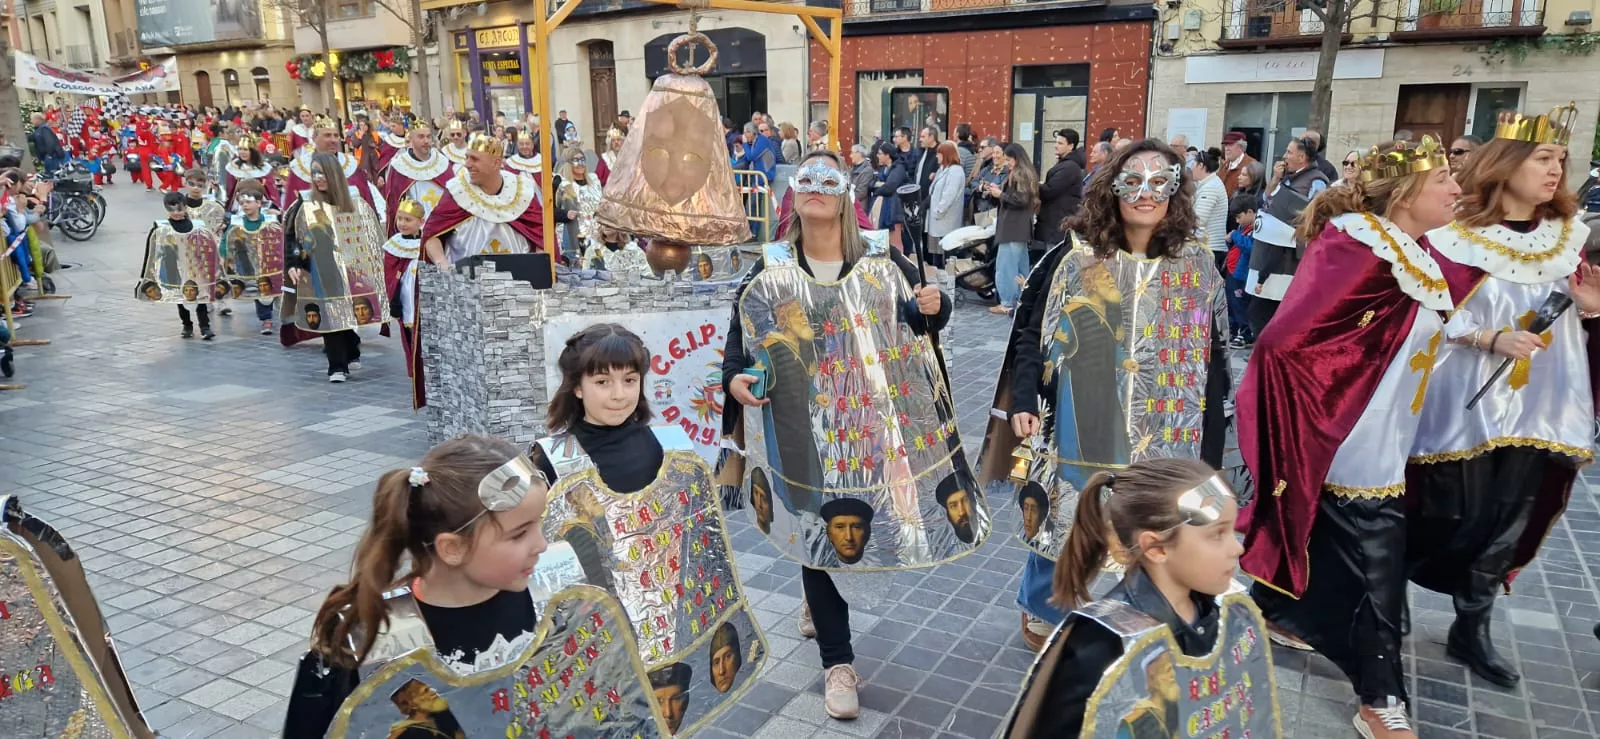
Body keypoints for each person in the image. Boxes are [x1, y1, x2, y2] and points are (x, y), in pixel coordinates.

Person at [722, 150, 963, 721]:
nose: (816, 188)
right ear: (794, 195)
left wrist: (938, 303)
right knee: (817, 527)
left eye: (828, 180)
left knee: (852, 517)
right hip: (800, 424)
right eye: (805, 179)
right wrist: (734, 378)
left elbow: (921, 318)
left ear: (845, 196)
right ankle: (839, 661)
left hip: (865, 422)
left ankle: (819, 597)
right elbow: (742, 333)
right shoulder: (773, 264)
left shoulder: (883, 256)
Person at [1238, 136, 1462, 739]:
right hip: (1350, 441)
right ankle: (1379, 694)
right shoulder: (1358, 247)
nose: (1456, 188)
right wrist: (1321, 413)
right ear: (1409, 190)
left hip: (1390, 434)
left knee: (1331, 543)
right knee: (1376, 566)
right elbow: (1287, 342)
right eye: (1444, 178)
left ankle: (1276, 608)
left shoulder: (1410, 249)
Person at [980, 139, 1226, 651]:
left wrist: (1216, 432)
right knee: (1070, 506)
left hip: (1166, 415)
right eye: (1132, 182)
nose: (1145, 194)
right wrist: (1025, 399)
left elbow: (1215, 351)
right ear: (1112, 187)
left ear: (1176, 191)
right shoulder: (1074, 257)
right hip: (1082, 406)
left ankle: (1142, 610)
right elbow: (1030, 331)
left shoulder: (1197, 265)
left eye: (1159, 183)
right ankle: (1045, 604)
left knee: (1154, 515)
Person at [1408, 107, 1598, 690]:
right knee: (1446, 509)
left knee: (1508, 522)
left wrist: (1591, 308)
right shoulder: (1449, 239)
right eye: (1543, 158)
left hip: (1543, 404)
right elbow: (1424, 314)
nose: (1554, 170)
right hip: (1461, 400)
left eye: (1560, 161)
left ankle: (1473, 625)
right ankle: (1383, 598)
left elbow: (1579, 321)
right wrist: (1487, 336)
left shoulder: (1573, 238)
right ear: (1507, 163)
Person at [532, 323, 764, 731]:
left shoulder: (670, 446)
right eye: (602, 381)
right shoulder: (552, 460)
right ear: (578, 387)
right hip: (594, 634)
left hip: (663, 629)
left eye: (630, 380)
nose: (619, 393)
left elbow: (698, 542)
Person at [282, 435, 552, 736]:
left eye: (540, 522)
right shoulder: (369, 639)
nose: (541, 544)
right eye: (519, 534)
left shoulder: (552, 602)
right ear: (452, 548)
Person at [1000, 459, 1256, 739]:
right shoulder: (1102, 645)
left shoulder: (1225, 611)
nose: (1237, 548)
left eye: (1232, 530)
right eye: (1217, 534)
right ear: (1155, 548)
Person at [282, 154, 388, 382]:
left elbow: (371, 234)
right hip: (321, 268)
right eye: (315, 173)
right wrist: (293, 264)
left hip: (352, 266)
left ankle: (352, 349)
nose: (319, 178)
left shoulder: (355, 200)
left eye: (323, 173)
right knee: (330, 313)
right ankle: (336, 366)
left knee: (348, 310)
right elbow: (293, 236)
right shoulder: (305, 202)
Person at [1244, 136, 1328, 336]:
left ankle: (1270, 350)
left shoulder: (1316, 180)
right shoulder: (1287, 176)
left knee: (1272, 307)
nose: (1285, 156)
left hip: (1288, 253)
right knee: (1259, 305)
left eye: (1289, 152)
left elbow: (1315, 211)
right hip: (1268, 246)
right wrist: (1275, 178)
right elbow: (1266, 199)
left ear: (1302, 156)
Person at [139, 191, 222, 340]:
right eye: (172, 210)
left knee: (200, 297)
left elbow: (207, 246)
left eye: (179, 209)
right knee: (179, 298)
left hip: (194, 266)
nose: (176, 213)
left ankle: (205, 326)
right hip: (173, 268)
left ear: (185, 208)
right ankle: (187, 325)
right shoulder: (160, 228)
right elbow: (151, 250)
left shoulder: (198, 226)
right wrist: (147, 273)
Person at [223, 180, 284, 335]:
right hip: (246, 262)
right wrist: (224, 255)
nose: (245, 205)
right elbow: (227, 239)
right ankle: (265, 318)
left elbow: (280, 238)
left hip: (267, 260)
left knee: (267, 290)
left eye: (248, 202)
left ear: (258, 203)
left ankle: (270, 318)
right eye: (242, 202)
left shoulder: (270, 220)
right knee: (257, 289)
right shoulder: (236, 222)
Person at [985, 143, 1039, 315]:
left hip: (1013, 227)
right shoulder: (1025, 173)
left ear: (1016, 158)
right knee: (1020, 266)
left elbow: (1020, 200)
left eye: (1009, 159)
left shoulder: (1020, 174)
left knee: (1006, 266)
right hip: (1019, 227)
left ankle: (1008, 302)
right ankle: (1022, 299)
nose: (1007, 163)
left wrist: (1000, 194)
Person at [382, 123, 453, 236]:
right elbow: (393, 203)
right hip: (414, 231)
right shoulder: (399, 166)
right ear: (411, 139)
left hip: (443, 227)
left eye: (428, 137)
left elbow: (453, 196)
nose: (426, 141)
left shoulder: (442, 162)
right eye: (421, 137)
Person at [1036, 129, 1085, 249]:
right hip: (1055, 222)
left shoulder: (1069, 167)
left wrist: (1033, 184)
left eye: (1060, 143)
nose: (1055, 146)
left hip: (1058, 224)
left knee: (1053, 260)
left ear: (1071, 146)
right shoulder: (1066, 164)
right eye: (1056, 142)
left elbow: (1050, 191)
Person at [926, 141, 966, 269]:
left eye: (939, 154)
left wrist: (939, 211)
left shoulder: (955, 171)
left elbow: (949, 195)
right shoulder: (942, 169)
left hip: (946, 219)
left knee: (947, 255)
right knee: (937, 254)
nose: (937, 156)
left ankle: (948, 282)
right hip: (938, 220)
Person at [1223, 200, 1256, 348]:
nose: (1237, 221)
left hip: (1243, 272)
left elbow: (1251, 247)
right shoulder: (1242, 227)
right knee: (1233, 302)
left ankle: (1245, 333)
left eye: (1239, 217)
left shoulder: (1256, 228)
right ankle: (1235, 330)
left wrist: (1235, 235)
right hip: (1233, 270)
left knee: (1242, 303)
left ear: (1250, 212)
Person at [1191, 147, 1228, 276]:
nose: (1191, 169)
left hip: (1210, 247)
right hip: (1207, 246)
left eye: (1193, 164)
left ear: (1201, 165)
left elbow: (1198, 219)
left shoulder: (1211, 187)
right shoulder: (1209, 184)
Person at [868, 143, 908, 249]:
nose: (877, 156)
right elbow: (871, 184)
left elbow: (890, 187)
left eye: (880, 154)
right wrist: (879, 185)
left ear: (888, 155)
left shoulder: (899, 168)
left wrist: (877, 189)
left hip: (893, 210)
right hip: (881, 209)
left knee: (894, 241)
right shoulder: (883, 169)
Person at [223, 135, 278, 210]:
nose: (242, 152)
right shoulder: (234, 166)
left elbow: (270, 188)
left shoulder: (264, 168)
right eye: (240, 149)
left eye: (245, 150)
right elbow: (229, 188)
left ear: (252, 151)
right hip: (239, 203)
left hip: (258, 201)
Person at [1220, 131, 1256, 199]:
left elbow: (1254, 193)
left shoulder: (1252, 165)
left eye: (1230, 145)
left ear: (1241, 147)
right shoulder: (1225, 164)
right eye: (1226, 145)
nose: (1226, 148)